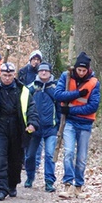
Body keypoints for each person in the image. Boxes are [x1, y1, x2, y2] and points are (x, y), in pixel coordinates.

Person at [0, 62, 39, 201]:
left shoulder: (22, 90)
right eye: (4, 75)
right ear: (0, 75)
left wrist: (32, 123)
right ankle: (0, 188)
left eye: (9, 75)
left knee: (15, 161)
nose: (7, 78)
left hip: (17, 129)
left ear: (14, 75)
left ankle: (12, 185)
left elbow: (31, 108)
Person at [52, 52, 101, 199]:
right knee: (68, 152)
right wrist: (77, 93)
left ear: (88, 70)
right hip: (70, 122)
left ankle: (79, 185)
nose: (81, 73)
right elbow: (58, 95)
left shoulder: (94, 83)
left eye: (84, 70)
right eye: (79, 70)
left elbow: (93, 106)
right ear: (75, 69)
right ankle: (67, 184)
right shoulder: (66, 77)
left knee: (81, 157)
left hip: (85, 123)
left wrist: (71, 110)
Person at [25, 63, 59, 192]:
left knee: (50, 155)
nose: (43, 73)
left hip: (51, 127)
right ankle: (30, 177)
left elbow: (61, 108)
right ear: (38, 73)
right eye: (41, 71)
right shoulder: (31, 88)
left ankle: (49, 181)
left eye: (46, 71)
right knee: (30, 155)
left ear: (50, 72)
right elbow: (24, 106)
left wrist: (59, 124)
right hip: (34, 127)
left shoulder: (56, 89)